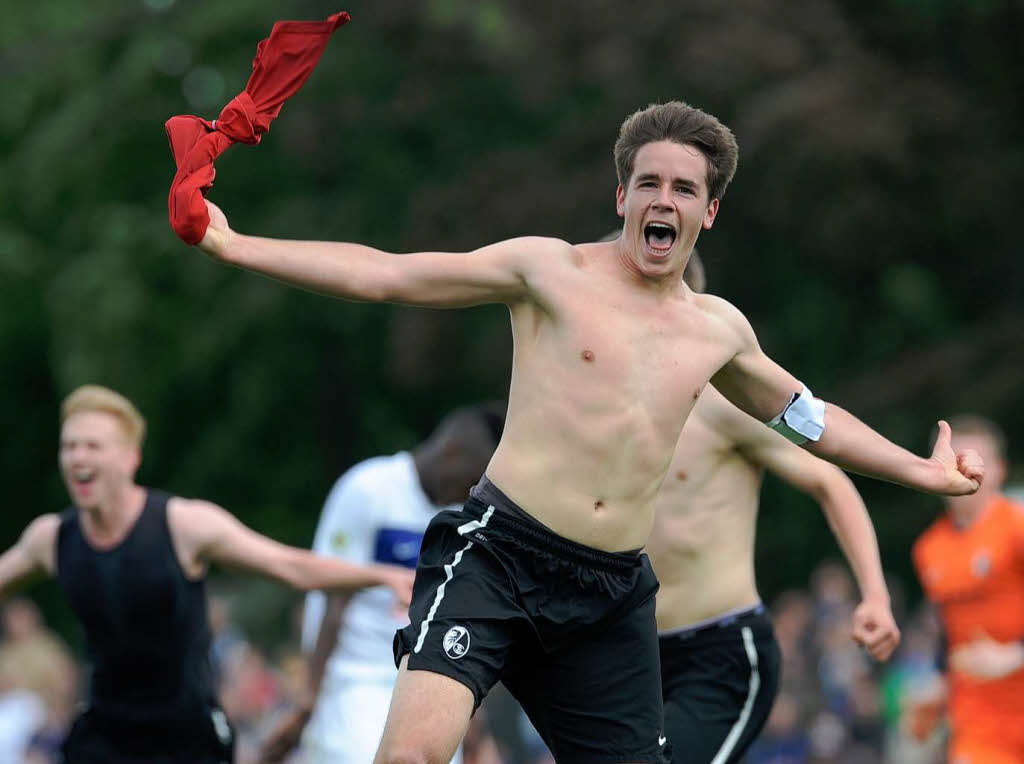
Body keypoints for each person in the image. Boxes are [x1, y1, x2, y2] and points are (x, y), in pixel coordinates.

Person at [191, 100, 983, 763]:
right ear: (622, 197)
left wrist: (921, 472)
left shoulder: (720, 333)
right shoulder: (548, 272)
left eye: (683, 188)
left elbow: (813, 420)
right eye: (648, 184)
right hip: (499, 559)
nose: (662, 201)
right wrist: (235, 245)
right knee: (411, 755)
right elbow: (389, 273)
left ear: (709, 210)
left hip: (608, 597)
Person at [0, 384, 415, 764]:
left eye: (92, 446)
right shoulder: (51, 538)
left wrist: (380, 575)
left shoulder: (184, 526)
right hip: (102, 741)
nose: (78, 458)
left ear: (131, 457)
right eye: (69, 446)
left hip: (187, 741)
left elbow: (289, 566)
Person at [645, 249, 899, 763]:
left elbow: (830, 480)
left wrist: (874, 594)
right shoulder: (594, 408)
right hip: (623, 650)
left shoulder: (724, 405)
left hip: (717, 654)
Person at [260, 403, 504, 764]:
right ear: (451, 453)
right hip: (353, 683)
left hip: (425, 683)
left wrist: (473, 720)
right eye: (468, 480)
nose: (466, 493)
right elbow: (333, 596)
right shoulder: (369, 488)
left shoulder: (459, 518)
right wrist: (308, 699)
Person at [911, 415, 1024, 764]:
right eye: (954, 459)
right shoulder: (928, 548)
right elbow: (948, 630)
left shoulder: (1017, 528)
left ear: (1000, 469)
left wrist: (1016, 655)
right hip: (978, 719)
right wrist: (937, 683)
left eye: (977, 461)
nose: (965, 470)